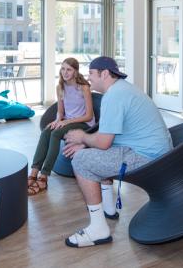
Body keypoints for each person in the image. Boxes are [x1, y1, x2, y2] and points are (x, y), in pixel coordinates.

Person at [61, 56, 173, 248]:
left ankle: (98, 230)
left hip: (149, 158)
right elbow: (110, 137)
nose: (88, 79)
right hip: (157, 152)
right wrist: (88, 143)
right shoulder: (123, 89)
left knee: (80, 161)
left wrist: (82, 138)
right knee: (94, 157)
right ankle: (109, 209)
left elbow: (104, 143)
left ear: (104, 74)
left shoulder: (113, 96)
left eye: (91, 74)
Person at [27, 58, 94, 196]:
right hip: (68, 121)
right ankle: (34, 172)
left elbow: (89, 116)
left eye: (69, 69)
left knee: (56, 134)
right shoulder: (60, 87)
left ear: (75, 71)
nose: (65, 72)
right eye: (63, 69)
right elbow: (60, 111)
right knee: (47, 131)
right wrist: (57, 120)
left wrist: (66, 122)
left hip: (84, 123)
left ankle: (44, 176)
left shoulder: (84, 87)